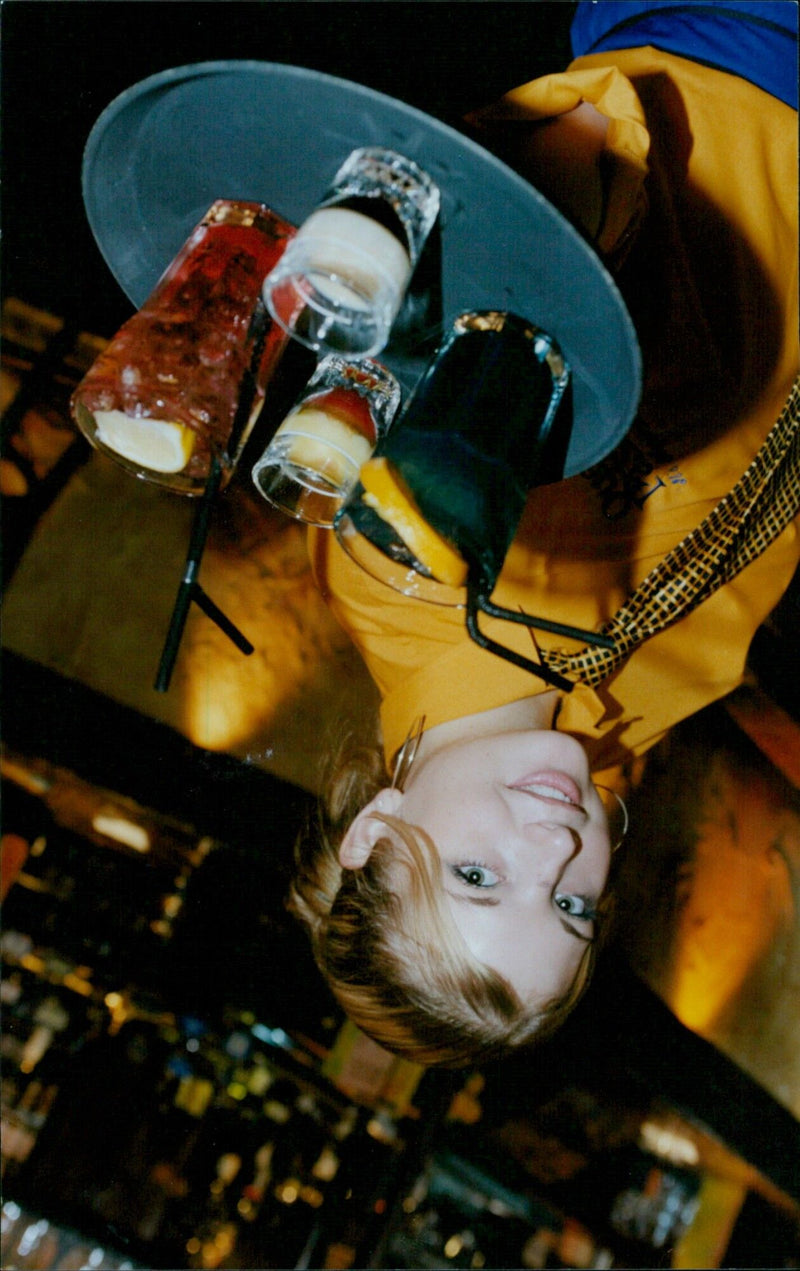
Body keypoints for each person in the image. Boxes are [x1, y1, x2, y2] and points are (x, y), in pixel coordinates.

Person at [289, 0, 800, 1068]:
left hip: (738, 55)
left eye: (477, 876)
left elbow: (521, 230)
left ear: (376, 832)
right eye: (569, 905)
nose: (555, 847)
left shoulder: (410, 560)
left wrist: (551, 187)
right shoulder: (606, 729)